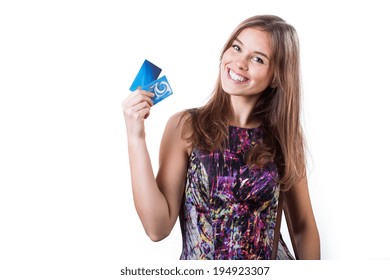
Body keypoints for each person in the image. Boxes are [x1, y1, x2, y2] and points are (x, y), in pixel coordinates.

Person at [122, 15, 320, 260]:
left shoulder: (284, 137)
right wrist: (135, 136)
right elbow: (157, 228)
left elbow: (302, 226)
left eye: (257, 58)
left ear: (277, 75)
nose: (239, 62)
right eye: (236, 47)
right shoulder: (187, 127)